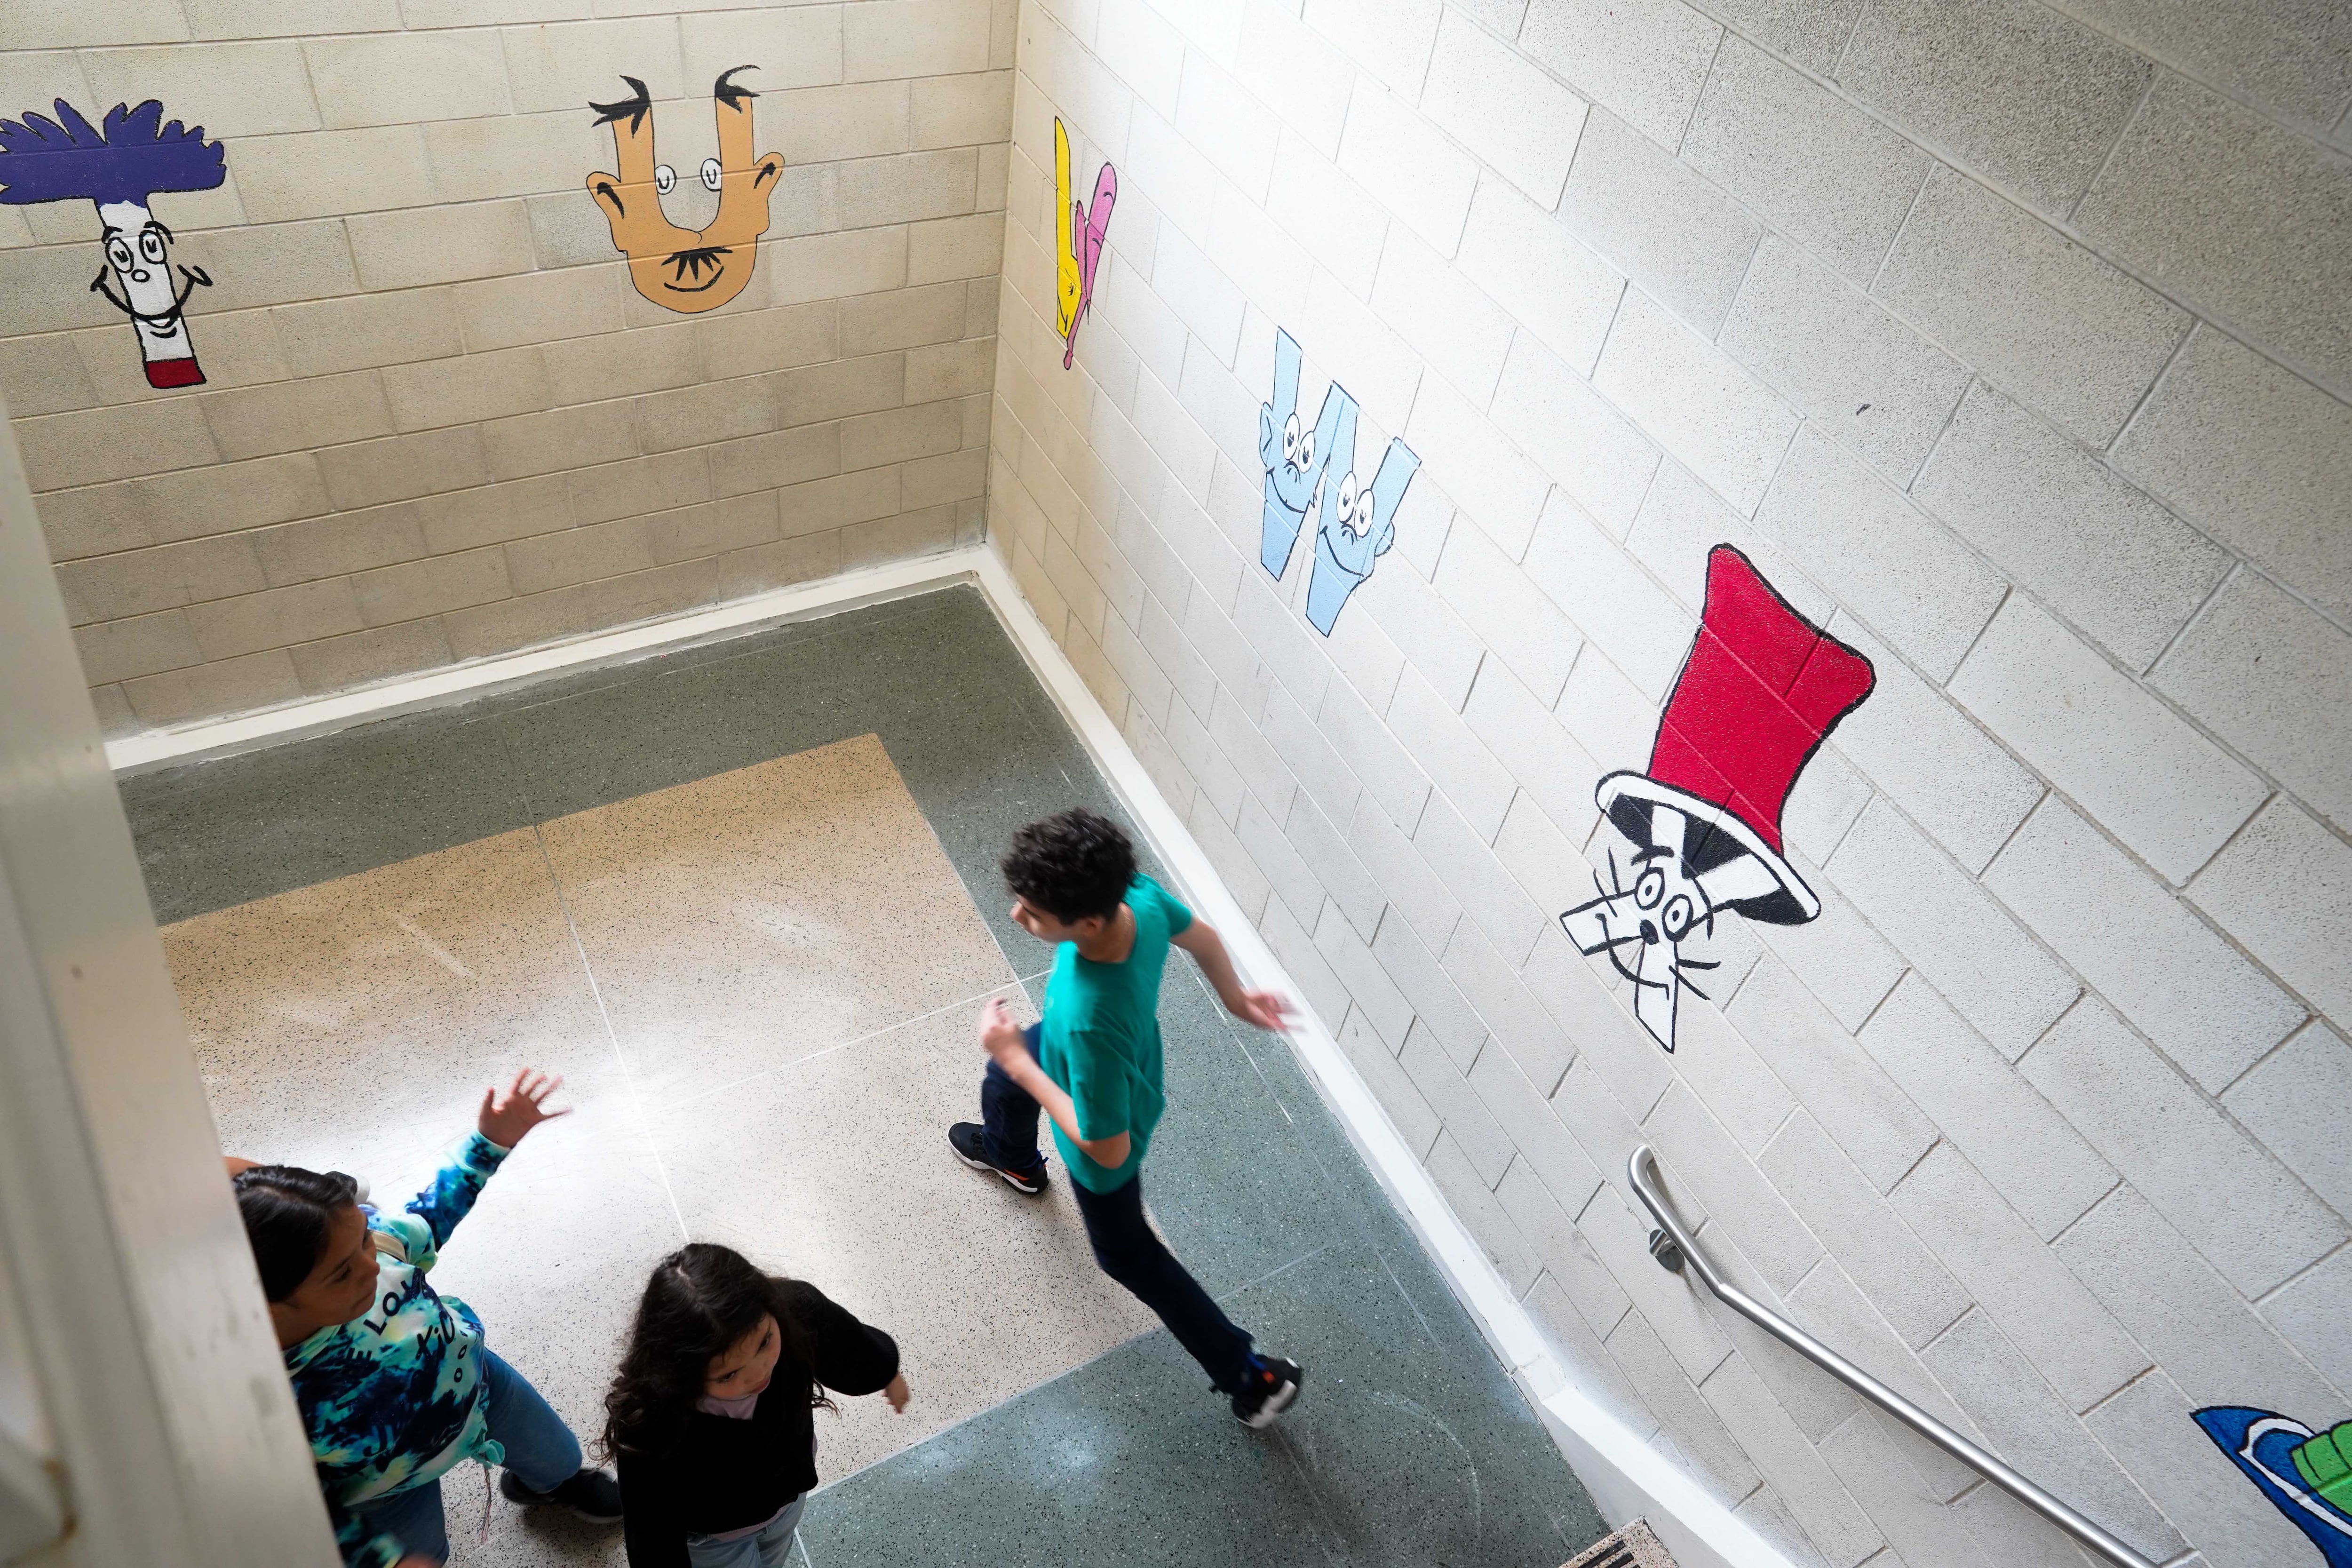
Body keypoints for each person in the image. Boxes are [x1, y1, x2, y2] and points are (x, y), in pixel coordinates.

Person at [947, 807, 1306, 1427]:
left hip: (1099, 1105)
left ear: (1084, 923)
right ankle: (1014, 1159)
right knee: (1007, 1077)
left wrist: (1017, 1056)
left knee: (1128, 1256)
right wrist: (1236, 999)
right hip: (1074, 1051)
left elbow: (1105, 1146)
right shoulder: (1134, 896)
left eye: (1032, 911)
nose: (1017, 915)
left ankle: (1252, 1376)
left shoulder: (1093, 1013)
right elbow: (1204, 937)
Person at [231, 1070, 621, 1568]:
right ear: (264, 1303)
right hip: (385, 1485)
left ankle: (549, 1486)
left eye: (364, 1241)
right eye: (343, 1273)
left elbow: (432, 1213)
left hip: (481, 1389)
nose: (373, 1265)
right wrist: (378, 1560)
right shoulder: (264, 1397)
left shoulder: (373, 1246)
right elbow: (310, 1505)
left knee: (560, 1457)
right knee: (424, 1557)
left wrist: (490, 1144)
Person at [605, 1242, 907, 1567]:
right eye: (729, 1374)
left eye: (765, 1342)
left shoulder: (794, 1310)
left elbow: (846, 1341)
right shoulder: (651, 1422)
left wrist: (884, 1372)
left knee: (775, 1554)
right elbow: (651, 1533)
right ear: (679, 1374)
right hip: (713, 1537)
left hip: (787, 1500)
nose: (759, 1372)